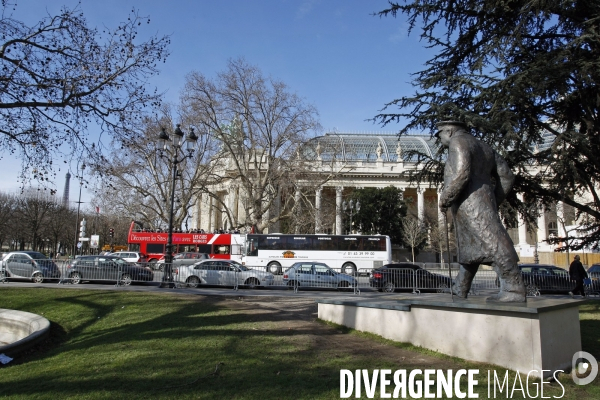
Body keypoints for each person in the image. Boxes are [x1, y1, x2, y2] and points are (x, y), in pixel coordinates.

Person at [437, 121, 526, 302]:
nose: (439, 138)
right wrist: (494, 199)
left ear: (450, 131)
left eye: (440, 134)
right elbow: (507, 176)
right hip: (480, 201)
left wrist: (446, 198)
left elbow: (462, 173)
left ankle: (513, 288)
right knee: (470, 245)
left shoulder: (458, 142)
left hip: (470, 203)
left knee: (492, 241)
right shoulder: (484, 146)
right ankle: (460, 287)